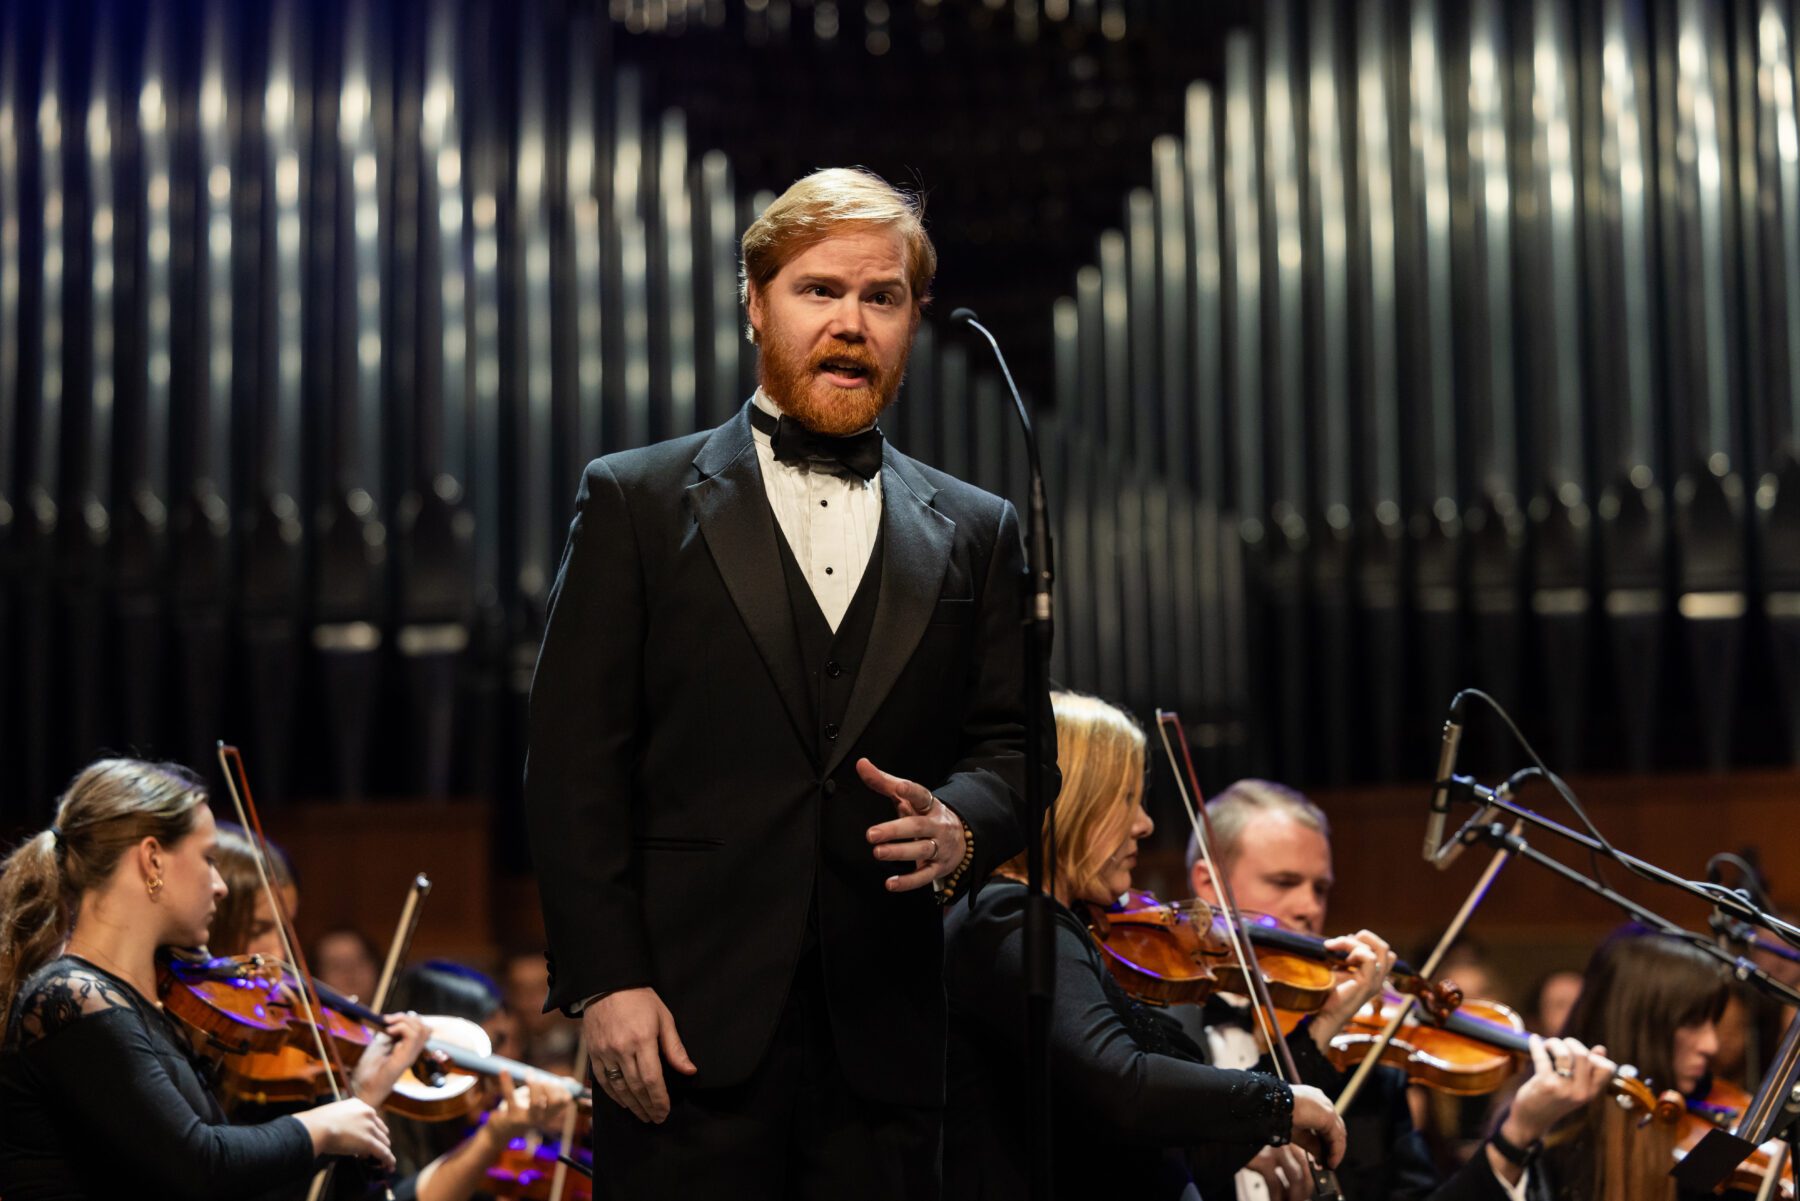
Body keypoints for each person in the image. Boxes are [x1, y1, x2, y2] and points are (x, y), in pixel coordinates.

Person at [523, 165, 1055, 1200]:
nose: (852, 322)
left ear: (914, 319)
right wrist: (608, 980)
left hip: (889, 1042)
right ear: (754, 303)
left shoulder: (979, 526)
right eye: (820, 290)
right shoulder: (635, 498)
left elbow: (1017, 750)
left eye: (882, 296)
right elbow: (574, 763)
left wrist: (964, 827)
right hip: (679, 1029)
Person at [942, 691, 1348, 1200]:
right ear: (1075, 802)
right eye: (1127, 798)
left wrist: (1315, 1039)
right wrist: (1281, 1101)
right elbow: (1124, 1084)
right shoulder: (1012, 917)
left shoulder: (1065, 929)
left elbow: (1187, 1159)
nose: (1146, 824)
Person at [1183, 779, 1611, 1200]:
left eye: (1321, 889)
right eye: (1283, 882)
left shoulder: (1363, 1056)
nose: (1309, 907)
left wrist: (1515, 1136)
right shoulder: (1150, 1033)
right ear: (1209, 884)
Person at [0, 758, 393, 1199]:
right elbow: (199, 1163)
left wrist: (350, 1108)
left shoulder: (140, 1005)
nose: (220, 885)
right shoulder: (71, 999)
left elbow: (228, 1172)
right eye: (207, 859)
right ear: (152, 860)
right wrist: (321, 1128)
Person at [1534, 925, 1733, 1201]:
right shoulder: (1555, 1148)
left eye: (1714, 1021)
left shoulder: (1703, 1142)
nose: (1712, 1045)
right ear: (1640, 1025)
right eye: (1692, 1022)